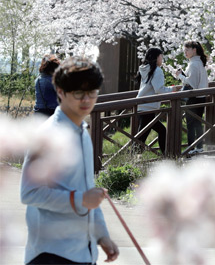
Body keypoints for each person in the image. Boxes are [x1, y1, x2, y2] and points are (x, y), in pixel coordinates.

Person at [20, 57, 119, 265]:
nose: (86, 100)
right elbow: (29, 192)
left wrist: (101, 235)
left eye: (92, 92)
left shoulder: (82, 132)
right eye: (78, 93)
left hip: (82, 251)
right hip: (50, 253)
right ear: (60, 92)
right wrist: (79, 199)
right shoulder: (47, 135)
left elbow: (87, 189)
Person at [135, 47, 179, 154]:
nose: (162, 59)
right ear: (157, 57)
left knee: (142, 135)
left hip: (142, 104)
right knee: (157, 132)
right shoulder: (157, 70)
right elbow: (159, 89)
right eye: (161, 57)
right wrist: (173, 89)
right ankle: (165, 155)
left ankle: (132, 157)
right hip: (149, 106)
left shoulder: (145, 69)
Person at [175, 41, 209, 154]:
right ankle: (198, 147)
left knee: (191, 124)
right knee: (197, 123)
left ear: (194, 50)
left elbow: (192, 83)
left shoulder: (194, 64)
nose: (185, 52)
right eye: (184, 50)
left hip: (194, 97)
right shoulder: (199, 62)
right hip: (201, 96)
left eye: (187, 50)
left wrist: (180, 76)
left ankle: (191, 148)